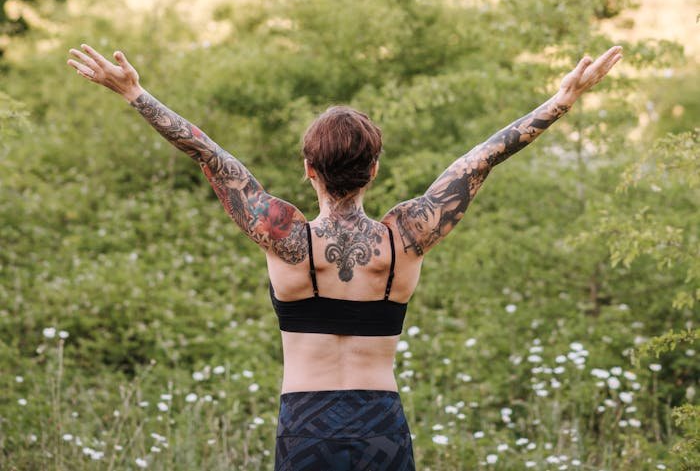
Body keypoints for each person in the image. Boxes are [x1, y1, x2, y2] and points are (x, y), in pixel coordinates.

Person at [67, 42, 623, 470]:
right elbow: (481, 160)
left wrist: (135, 94)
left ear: (309, 170)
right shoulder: (406, 236)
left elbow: (210, 156)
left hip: (305, 423)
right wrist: (562, 99)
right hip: (380, 418)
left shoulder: (283, 234)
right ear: (374, 170)